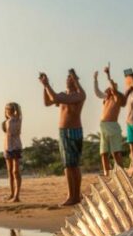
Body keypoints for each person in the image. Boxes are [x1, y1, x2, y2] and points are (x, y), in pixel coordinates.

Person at [40, 69, 86, 206]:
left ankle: (74, 195)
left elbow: (54, 98)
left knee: (72, 166)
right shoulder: (62, 95)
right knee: (69, 166)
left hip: (73, 131)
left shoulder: (78, 95)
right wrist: (44, 86)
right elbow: (48, 102)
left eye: (71, 78)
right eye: (68, 78)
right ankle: (73, 194)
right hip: (64, 132)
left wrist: (47, 85)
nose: (69, 80)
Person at [93, 65, 127, 176]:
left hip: (113, 126)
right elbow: (97, 92)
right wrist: (95, 79)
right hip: (103, 126)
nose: (108, 89)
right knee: (103, 152)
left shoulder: (117, 98)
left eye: (111, 88)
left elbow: (113, 88)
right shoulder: (106, 98)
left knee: (116, 152)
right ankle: (106, 172)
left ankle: (120, 171)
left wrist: (108, 76)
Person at [2, 103, 23, 202]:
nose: (8, 112)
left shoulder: (17, 119)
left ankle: (16, 195)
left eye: (10, 110)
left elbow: (19, 113)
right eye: (7, 110)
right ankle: (12, 193)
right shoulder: (6, 121)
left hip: (15, 147)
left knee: (15, 171)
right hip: (7, 147)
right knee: (10, 172)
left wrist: (16, 107)